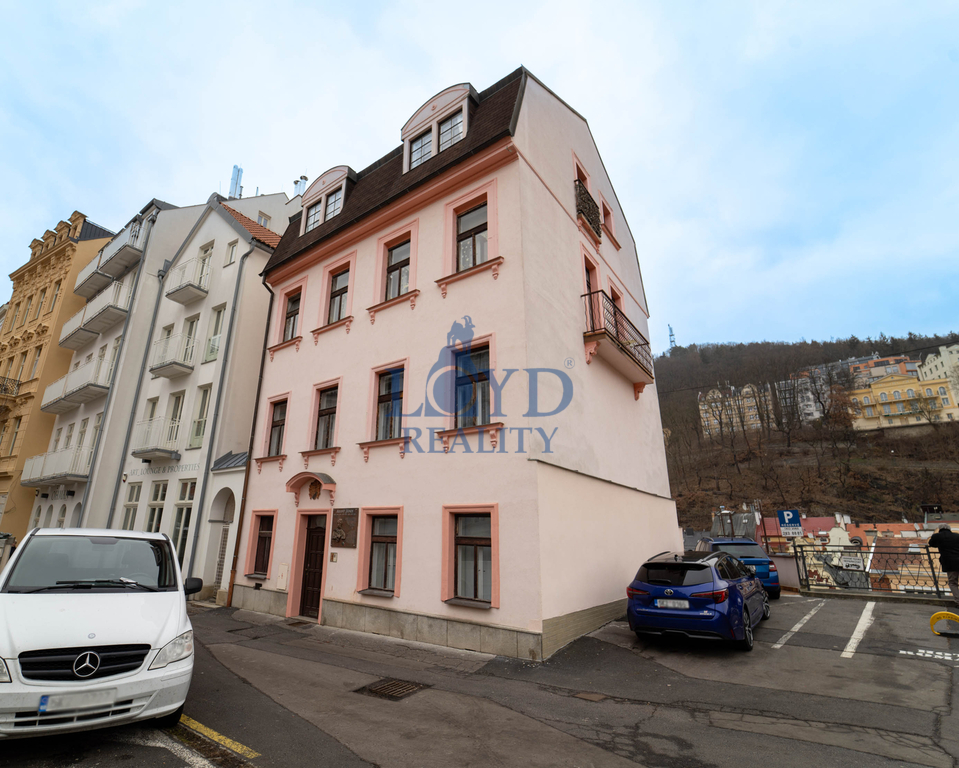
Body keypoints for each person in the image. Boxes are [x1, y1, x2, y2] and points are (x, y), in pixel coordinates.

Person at [928, 525, 959, 608]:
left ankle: (958, 601)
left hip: (950, 563)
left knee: (953, 582)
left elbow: (931, 544)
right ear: (949, 529)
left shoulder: (937, 536)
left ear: (940, 529)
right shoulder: (957, 536)